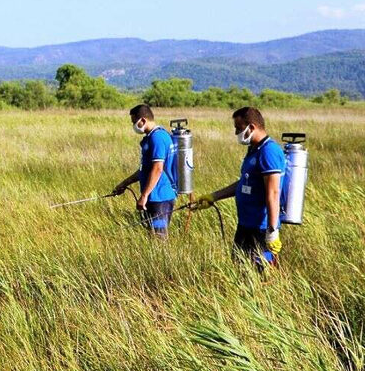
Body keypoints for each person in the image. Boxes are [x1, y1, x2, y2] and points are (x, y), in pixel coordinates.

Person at [190, 106, 286, 267]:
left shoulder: (269, 151)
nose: (236, 133)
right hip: (245, 225)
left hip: (260, 229)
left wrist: (272, 231)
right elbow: (244, 183)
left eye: (239, 128)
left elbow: (273, 193)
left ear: (252, 127)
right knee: (239, 268)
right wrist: (213, 197)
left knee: (260, 274)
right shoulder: (253, 150)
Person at [110, 104, 178, 235]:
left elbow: (158, 168)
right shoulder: (151, 137)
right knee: (151, 234)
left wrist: (144, 195)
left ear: (143, 120)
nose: (133, 125)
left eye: (134, 122)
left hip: (160, 198)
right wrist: (124, 184)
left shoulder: (157, 138)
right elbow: (145, 169)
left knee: (159, 236)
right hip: (153, 197)